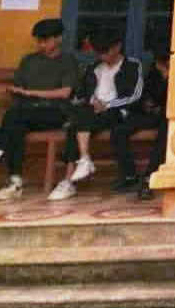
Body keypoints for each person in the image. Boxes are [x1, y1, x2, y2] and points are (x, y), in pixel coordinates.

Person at [48, 28, 144, 201]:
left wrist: (107, 104)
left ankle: (69, 180)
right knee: (77, 122)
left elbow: (135, 95)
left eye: (106, 52)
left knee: (76, 125)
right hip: (92, 112)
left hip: (116, 111)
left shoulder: (132, 65)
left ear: (117, 47)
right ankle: (82, 162)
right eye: (99, 53)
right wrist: (92, 101)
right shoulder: (93, 67)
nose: (102, 57)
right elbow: (83, 93)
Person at [0, 19, 78, 200]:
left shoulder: (68, 61)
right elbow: (17, 88)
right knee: (15, 125)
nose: (41, 45)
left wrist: (30, 93)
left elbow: (65, 93)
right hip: (26, 112)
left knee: (13, 119)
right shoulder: (29, 60)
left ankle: (4, 157)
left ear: (59, 38)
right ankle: (15, 181)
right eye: (39, 41)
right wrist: (16, 91)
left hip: (56, 112)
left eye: (45, 40)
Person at [108, 49, 170, 195]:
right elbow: (144, 96)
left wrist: (169, 77)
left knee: (165, 134)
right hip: (152, 114)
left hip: (169, 116)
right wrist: (148, 104)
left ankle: (149, 176)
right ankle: (129, 175)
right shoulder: (153, 73)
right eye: (160, 64)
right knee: (119, 130)